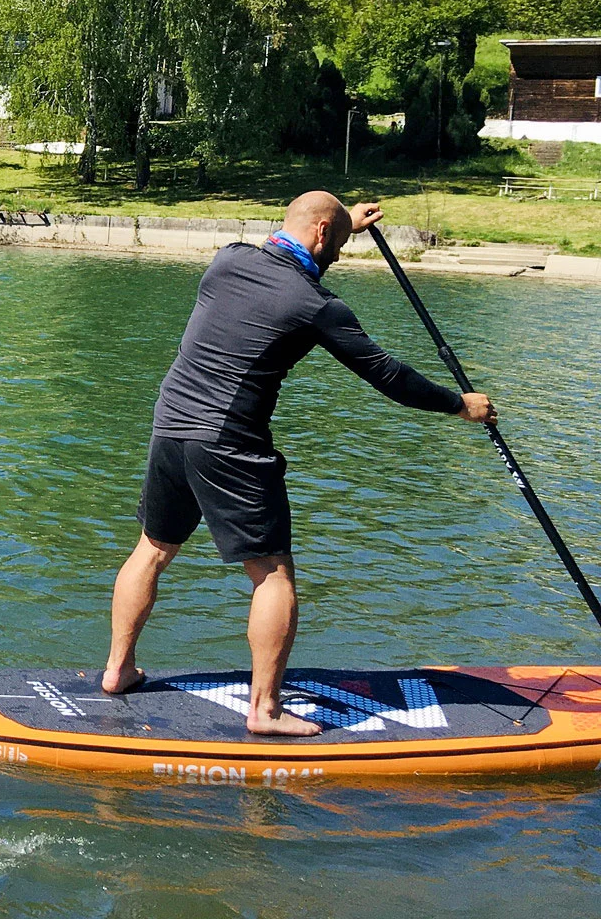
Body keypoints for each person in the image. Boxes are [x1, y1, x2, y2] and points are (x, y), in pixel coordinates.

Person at [102, 191, 496, 736]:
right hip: (229, 441)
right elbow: (388, 376)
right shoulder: (316, 306)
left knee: (152, 550)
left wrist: (342, 226)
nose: (335, 257)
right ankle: (265, 711)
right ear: (320, 236)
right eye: (334, 246)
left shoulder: (227, 259)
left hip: (170, 422)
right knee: (272, 575)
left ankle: (118, 670)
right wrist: (459, 405)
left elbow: (291, 242)